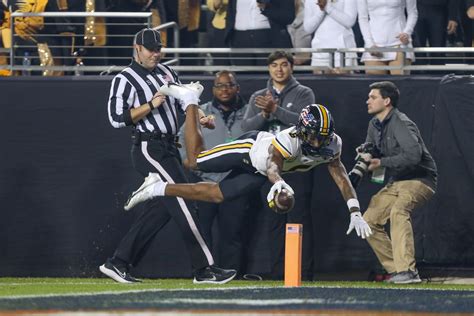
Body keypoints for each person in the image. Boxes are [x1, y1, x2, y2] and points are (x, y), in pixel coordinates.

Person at [125, 104, 373, 252]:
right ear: (302, 130)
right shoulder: (291, 138)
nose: (319, 142)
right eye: (315, 136)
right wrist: (278, 183)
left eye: (323, 136)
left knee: (217, 195)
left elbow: (340, 176)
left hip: (259, 172)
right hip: (250, 150)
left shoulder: (333, 145)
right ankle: (190, 103)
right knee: (194, 160)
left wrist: (354, 210)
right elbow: (274, 165)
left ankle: (158, 188)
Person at [103, 28, 237, 285]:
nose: (156, 53)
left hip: (169, 147)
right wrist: (150, 105)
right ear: (137, 48)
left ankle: (118, 262)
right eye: (150, 49)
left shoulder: (167, 72)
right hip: (148, 147)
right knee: (185, 202)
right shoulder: (125, 78)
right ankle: (204, 269)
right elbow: (116, 118)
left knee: (162, 209)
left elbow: (182, 102)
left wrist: (201, 117)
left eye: (158, 49)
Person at [241, 50, 315, 280]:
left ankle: (302, 272)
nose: (279, 69)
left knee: (299, 219)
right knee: (273, 221)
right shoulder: (259, 96)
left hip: (298, 167)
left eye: (284, 65)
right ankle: (277, 273)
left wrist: (276, 110)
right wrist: (264, 113)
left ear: (291, 67)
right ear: (269, 69)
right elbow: (246, 128)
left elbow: (308, 124)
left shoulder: (304, 93)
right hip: (270, 169)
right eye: (274, 65)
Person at [178, 70, 255, 277]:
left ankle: (234, 275)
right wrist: (190, 163)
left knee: (233, 234)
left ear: (237, 88)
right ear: (213, 89)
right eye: (220, 85)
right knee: (202, 233)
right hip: (204, 180)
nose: (225, 89)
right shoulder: (200, 111)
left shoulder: (250, 113)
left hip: (234, 182)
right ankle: (203, 273)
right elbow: (182, 140)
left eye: (229, 85)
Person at [360, 81, 437, 284]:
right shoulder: (374, 124)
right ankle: (399, 270)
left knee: (398, 211)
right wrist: (366, 156)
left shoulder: (400, 122)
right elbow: (372, 150)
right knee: (368, 220)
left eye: (373, 97)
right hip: (397, 182)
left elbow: (414, 155)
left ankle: (407, 271)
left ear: (387, 101)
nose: (368, 100)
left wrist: (381, 161)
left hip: (420, 179)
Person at [224, 0, 295, 65]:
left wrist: (265, 8)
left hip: (270, 39)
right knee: (242, 76)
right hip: (240, 39)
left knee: (269, 76)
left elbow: (288, 17)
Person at [357, 0, 418, 75]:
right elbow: (362, 18)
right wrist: (369, 43)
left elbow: (412, 12)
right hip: (374, 44)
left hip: (399, 42)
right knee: (376, 85)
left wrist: (407, 32)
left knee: (399, 83)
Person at [303, 0, 358, 74]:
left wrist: (328, 7)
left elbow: (349, 21)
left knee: (343, 84)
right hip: (320, 51)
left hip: (343, 51)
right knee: (319, 85)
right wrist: (321, 10)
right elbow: (308, 28)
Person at [414, 0, 460, 66]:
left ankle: (437, 74)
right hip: (416, 9)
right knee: (417, 47)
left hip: (439, 10)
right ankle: (417, 74)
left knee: (438, 48)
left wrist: (453, 17)